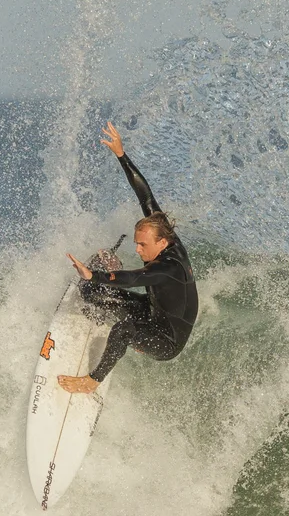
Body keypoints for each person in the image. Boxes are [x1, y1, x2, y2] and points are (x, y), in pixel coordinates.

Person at [57, 122, 199, 394]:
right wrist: (121, 155)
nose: (138, 250)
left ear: (162, 242)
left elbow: (134, 278)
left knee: (124, 329)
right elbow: (146, 196)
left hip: (167, 340)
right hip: (153, 310)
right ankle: (99, 317)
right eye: (136, 243)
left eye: (142, 245)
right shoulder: (163, 233)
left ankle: (91, 382)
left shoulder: (169, 268)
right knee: (91, 292)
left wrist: (95, 273)